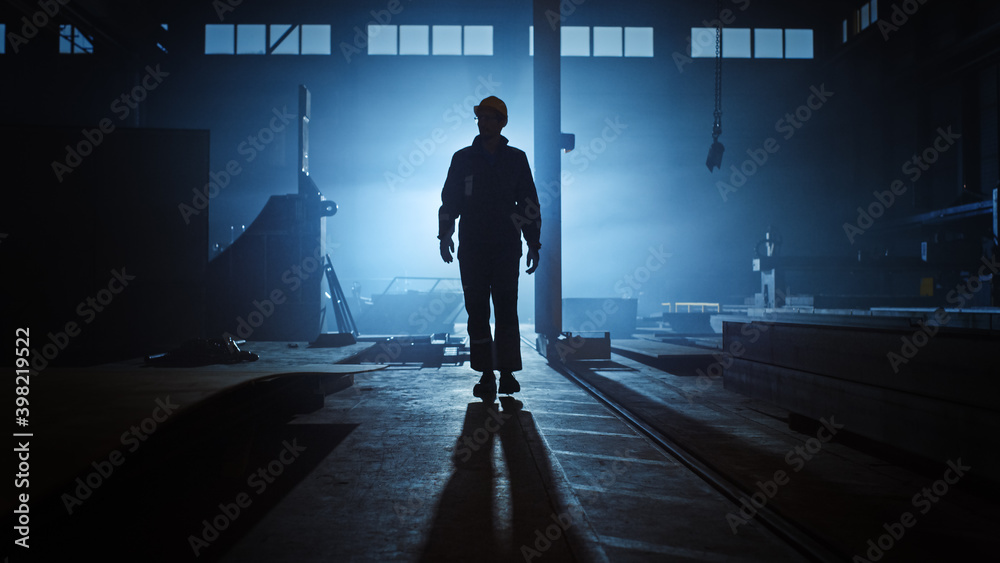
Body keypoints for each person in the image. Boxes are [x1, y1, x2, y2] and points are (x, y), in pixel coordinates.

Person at [438, 96, 541, 402]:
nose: (483, 122)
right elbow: (450, 200)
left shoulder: (516, 160)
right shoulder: (463, 159)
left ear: (501, 122)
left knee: (507, 309)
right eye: (480, 118)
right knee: (478, 311)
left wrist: (533, 242)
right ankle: (486, 374)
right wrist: (445, 235)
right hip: (473, 247)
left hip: (506, 246)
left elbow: (528, 204)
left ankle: (507, 373)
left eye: (489, 118)